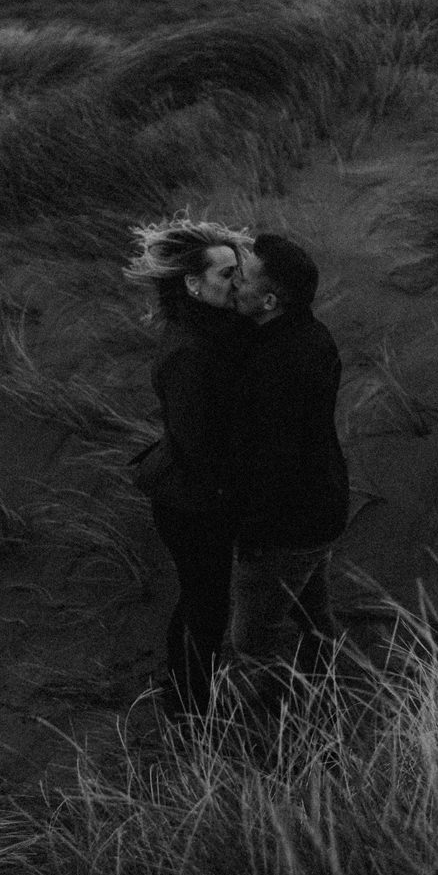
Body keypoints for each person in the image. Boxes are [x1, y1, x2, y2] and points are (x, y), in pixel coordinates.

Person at [123, 217, 253, 719]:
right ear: (192, 285)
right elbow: (201, 446)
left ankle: (186, 694)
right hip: (189, 503)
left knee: (204, 600)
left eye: (239, 269)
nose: (238, 280)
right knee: (206, 605)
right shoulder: (191, 352)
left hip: (196, 495)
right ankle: (191, 710)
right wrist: (231, 504)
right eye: (226, 274)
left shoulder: (213, 331)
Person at [227, 233, 351, 703]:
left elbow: (274, 463)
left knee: (252, 637)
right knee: (310, 607)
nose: (236, 281)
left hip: (289, 523)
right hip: (323, 505)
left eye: (245, 276)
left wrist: (252, 536)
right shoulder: (307, 334)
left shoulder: (278, 367)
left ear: (270, 300)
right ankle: (331, 678)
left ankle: (279, 720)